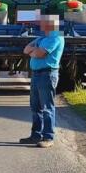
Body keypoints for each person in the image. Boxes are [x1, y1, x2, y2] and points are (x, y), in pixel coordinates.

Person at [21, 15, 65, 148]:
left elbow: (39, 54)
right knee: (35, 107)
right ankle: (35, 135)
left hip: (47, 74)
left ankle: (48, 137)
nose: (41, 25)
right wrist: (34, 50)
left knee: (47, 107)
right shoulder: (42, 38)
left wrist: (34, 51)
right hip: (36, 74)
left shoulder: (56, 37)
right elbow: (26, 49)